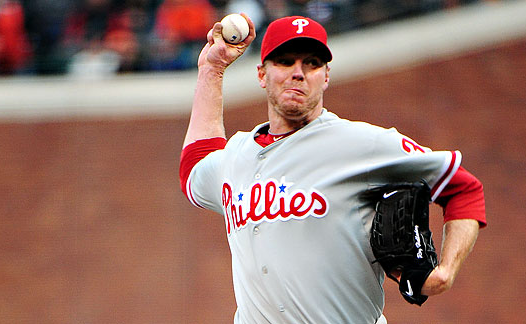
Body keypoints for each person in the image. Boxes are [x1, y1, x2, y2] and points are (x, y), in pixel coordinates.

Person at [179, 14, 486, 323]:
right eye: (285, 62)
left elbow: (463, 187)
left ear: (326, 76)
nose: (298, 73)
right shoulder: (237, 155)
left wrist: (445, 271)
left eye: (311, 63)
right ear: (262, 74)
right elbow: (194, 168)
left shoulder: (361, 144)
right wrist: (212, 69)